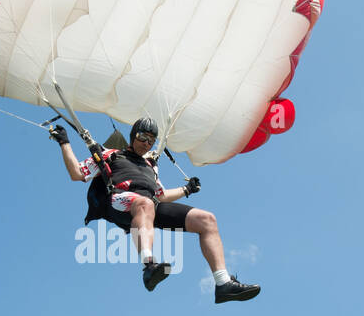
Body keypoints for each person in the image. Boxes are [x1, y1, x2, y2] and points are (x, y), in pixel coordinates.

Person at [51, 117, 260, 301]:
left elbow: (160, 196)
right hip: (120, 202)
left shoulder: (150, 167)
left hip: (148, 207)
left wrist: (186, 189)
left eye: (151, 140)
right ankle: (149, 265)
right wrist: (64, 143)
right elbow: (77, 173)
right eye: (143, 137)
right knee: (145, 203)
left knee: (207, 219)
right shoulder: (111, 155)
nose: (147, 143)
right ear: (133, 136)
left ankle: (223, 284)